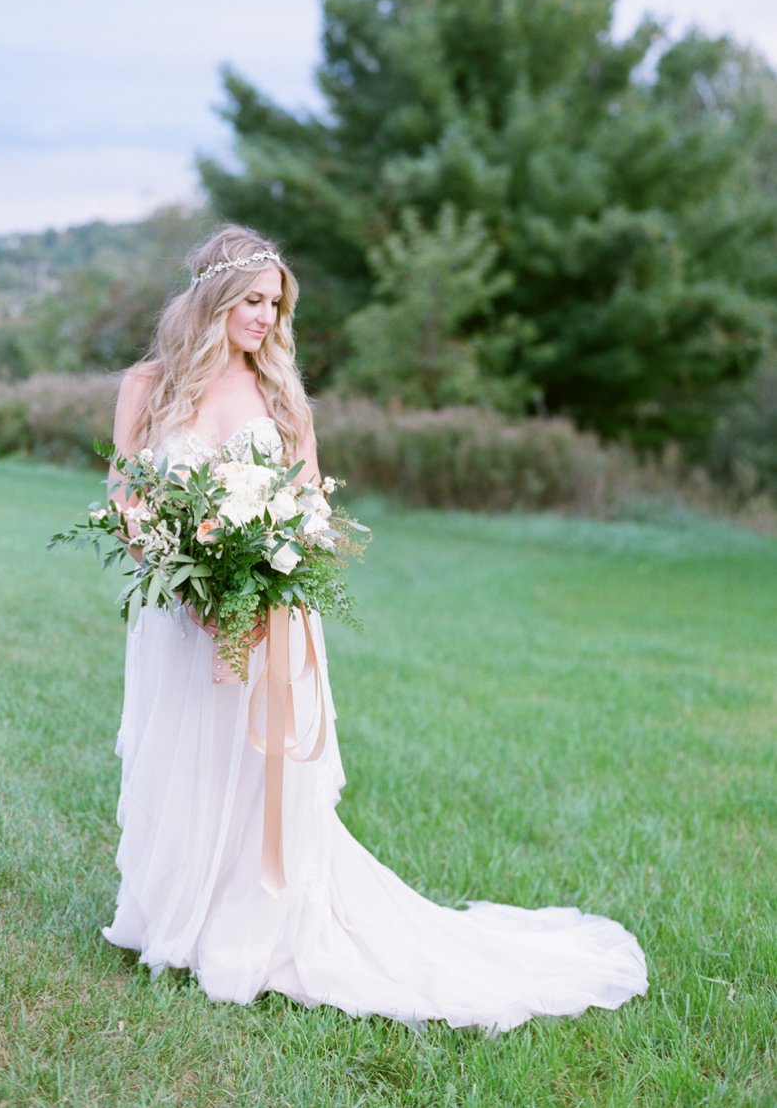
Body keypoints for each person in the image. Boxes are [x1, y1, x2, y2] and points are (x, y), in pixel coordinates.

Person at [101, 223, 647, 1031]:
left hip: (270, 612)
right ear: (214, 296)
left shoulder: (278, 393)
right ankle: (177, 921)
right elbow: (126, 493)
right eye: (252, 301)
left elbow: (310, 498)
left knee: (257, 770)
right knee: (185, 755)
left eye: (274, 304)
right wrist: (175, 560)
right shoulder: (148, 384)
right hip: (183, 617)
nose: (266, 318)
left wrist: (272, 556)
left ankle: (255, 930)